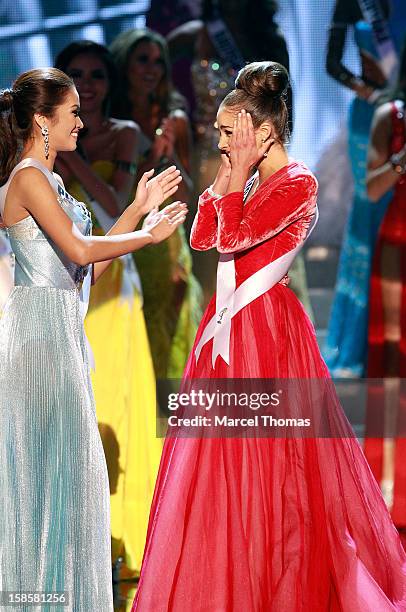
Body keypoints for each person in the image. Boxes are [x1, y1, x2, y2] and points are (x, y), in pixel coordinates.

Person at [132, 62, 406, 611]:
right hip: (226, 332)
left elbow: (234, 233)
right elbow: (206, 235)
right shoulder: (246, 179)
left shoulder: (300, 185)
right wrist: (227, 176)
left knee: (275, 471)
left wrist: (234, 177)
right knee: (222, 468)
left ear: (264, 130)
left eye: (229, 131)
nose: (221, 140)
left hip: (269, 335)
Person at [0, 67, 186, 609]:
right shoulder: (28, 178)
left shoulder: (51, 182)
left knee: (68, 480)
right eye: (74, 113)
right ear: (42, 120)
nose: (82, 123)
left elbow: (80, 276)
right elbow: (82, 253)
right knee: (42, 481)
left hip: (59, 338)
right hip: (36, 345)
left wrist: (135, 208)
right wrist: (147, 235)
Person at [54, 40, 162, 574]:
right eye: (77, 74)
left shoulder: (124, 135)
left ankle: (123, 540)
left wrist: (69, 156)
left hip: (114, 278)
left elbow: (117, 208)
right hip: (60, 287)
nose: (89, 84)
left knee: (116, 403)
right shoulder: (38, 151)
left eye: (97, 75)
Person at [166, 0, 314, 317]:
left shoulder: (268, 40)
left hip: (262, 160)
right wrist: (175, 108)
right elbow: (149, 69)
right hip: (211, 159)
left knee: (269, 257)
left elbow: (286, 112)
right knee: (214, 267)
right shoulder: (194, 35)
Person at [110, 28, 202, 379]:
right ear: (124, 64)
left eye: (158, 62)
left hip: (165, 241)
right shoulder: (107, 120)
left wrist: (166, 155)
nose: (151, 69)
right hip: (123, 235)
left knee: (171, 327)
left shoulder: (173, 119)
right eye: (142, 60)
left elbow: (187, 190)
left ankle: (168, 416)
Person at [323, 0, 393, 377]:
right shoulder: (353, 3)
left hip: (402, 109)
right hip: (370, 113)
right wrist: (368, 92)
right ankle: (359, 342)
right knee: (370, 212)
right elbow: (331, 64)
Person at [364, 38, 406, 531]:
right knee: (395, 359)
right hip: (397, 240)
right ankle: (390, 488)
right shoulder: (390, 115)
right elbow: (370, 186)